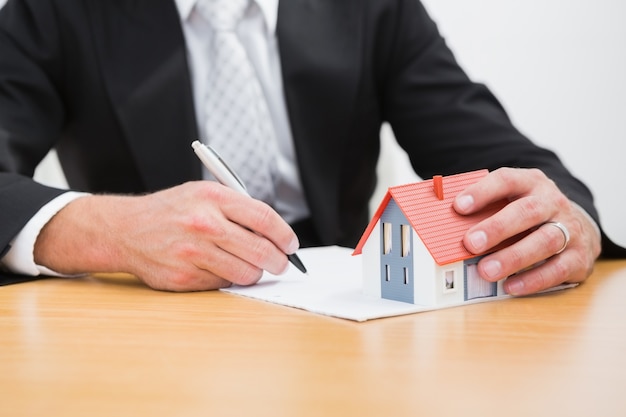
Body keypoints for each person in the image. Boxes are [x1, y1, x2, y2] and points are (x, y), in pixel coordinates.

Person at [0, 0, 621, 294]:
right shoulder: (54, 11)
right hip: (141, 321)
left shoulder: (374, 8)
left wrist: (569, 217)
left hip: (338, 320)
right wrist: (106, 230)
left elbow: (513, 165)